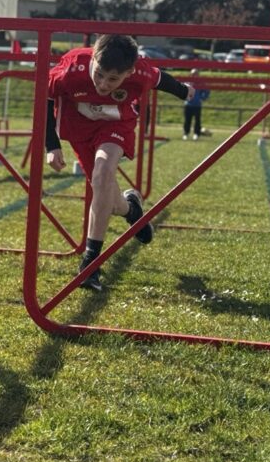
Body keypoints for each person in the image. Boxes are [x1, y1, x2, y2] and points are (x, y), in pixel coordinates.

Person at [45, 34, 194, 291]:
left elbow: (161, 79)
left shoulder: (141, 72)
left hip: (115, 125)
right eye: (100, 74)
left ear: (128, 73)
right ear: (93, 59)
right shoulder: (71, 68)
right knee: (110, 200)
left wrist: (184, 91)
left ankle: (90, 265)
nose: (103, 84)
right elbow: (46, 99)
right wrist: (52, 144)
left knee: (103, 173)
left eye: (113, 79)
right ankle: (131, 210)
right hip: (79, 129)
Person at [182, 69, 210, 141]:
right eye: (193, 74)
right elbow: (182, 89)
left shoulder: (201, 83)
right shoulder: (187, 82)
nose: (194, 75)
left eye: (196, 74)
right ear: (190, 74)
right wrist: (184, 97)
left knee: (197, 121)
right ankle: (186, 133)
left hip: (197, 105)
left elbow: (206, 91)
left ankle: (196, 134)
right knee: (187, 120)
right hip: (188, 104)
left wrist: (202, 98)